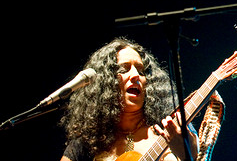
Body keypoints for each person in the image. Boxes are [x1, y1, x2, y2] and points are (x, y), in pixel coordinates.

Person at [59, 37, 199, 161]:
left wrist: (187, 157)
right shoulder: (89, 140)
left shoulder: (171, 128)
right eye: (124, 69)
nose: (135, 75)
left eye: (141, 70)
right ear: (104, 82)